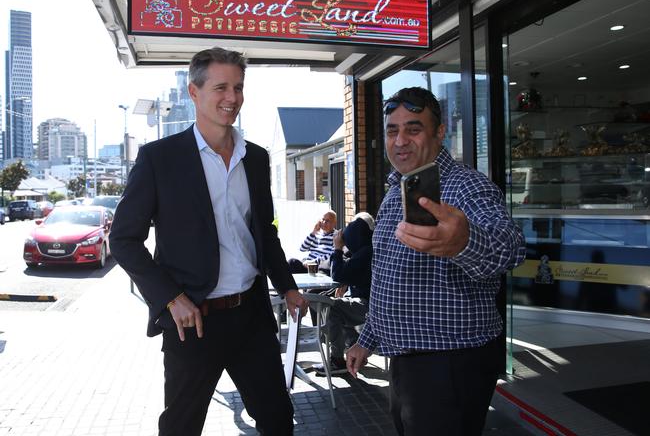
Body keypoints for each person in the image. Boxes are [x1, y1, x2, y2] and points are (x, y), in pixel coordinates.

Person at [110, 47, 307, 436]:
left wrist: (287, 286)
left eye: (238, 87)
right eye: (220, 87)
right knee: (182, 427)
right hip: (194, 321)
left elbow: (264, 230)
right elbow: (123, 239)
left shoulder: (256, 158)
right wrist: (170, 297)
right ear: (193, 92)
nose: (232, 98)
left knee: (279, 419)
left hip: (251, 314)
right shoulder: (159, 158)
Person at [346, 87, 526, 436]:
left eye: (413, 129)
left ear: (439, 132)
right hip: (406, 362)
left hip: (451, 363)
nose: (400, 141)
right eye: (392, 130)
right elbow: (388, 279)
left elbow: (511, 247)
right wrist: (367, 338)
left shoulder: (466, 186)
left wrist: (465, 241)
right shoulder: (396, 191)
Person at [314, 212, 373, 375]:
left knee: (332, 307)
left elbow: (338, 274)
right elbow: (346, 268)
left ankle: (337, 359)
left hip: (370, 306)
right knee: (337, 302)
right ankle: (357, 347)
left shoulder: (365, 253)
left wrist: (337, 248)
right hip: (371, 302)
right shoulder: (367, 249)